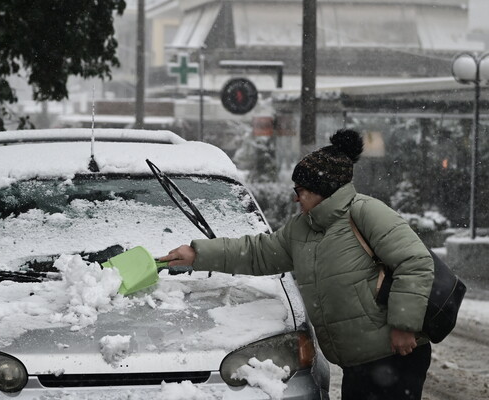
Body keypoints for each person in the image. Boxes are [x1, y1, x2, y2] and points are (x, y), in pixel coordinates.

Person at [160, 129, 434, 400]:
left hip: (395, 355)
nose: (295, 197)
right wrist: (198, 254)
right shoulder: (302, 229)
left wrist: (405, 325)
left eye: (300, 190)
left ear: (322, 190)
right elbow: (257, 253)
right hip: (357, 363)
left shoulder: (365, 212)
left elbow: (415, 261)